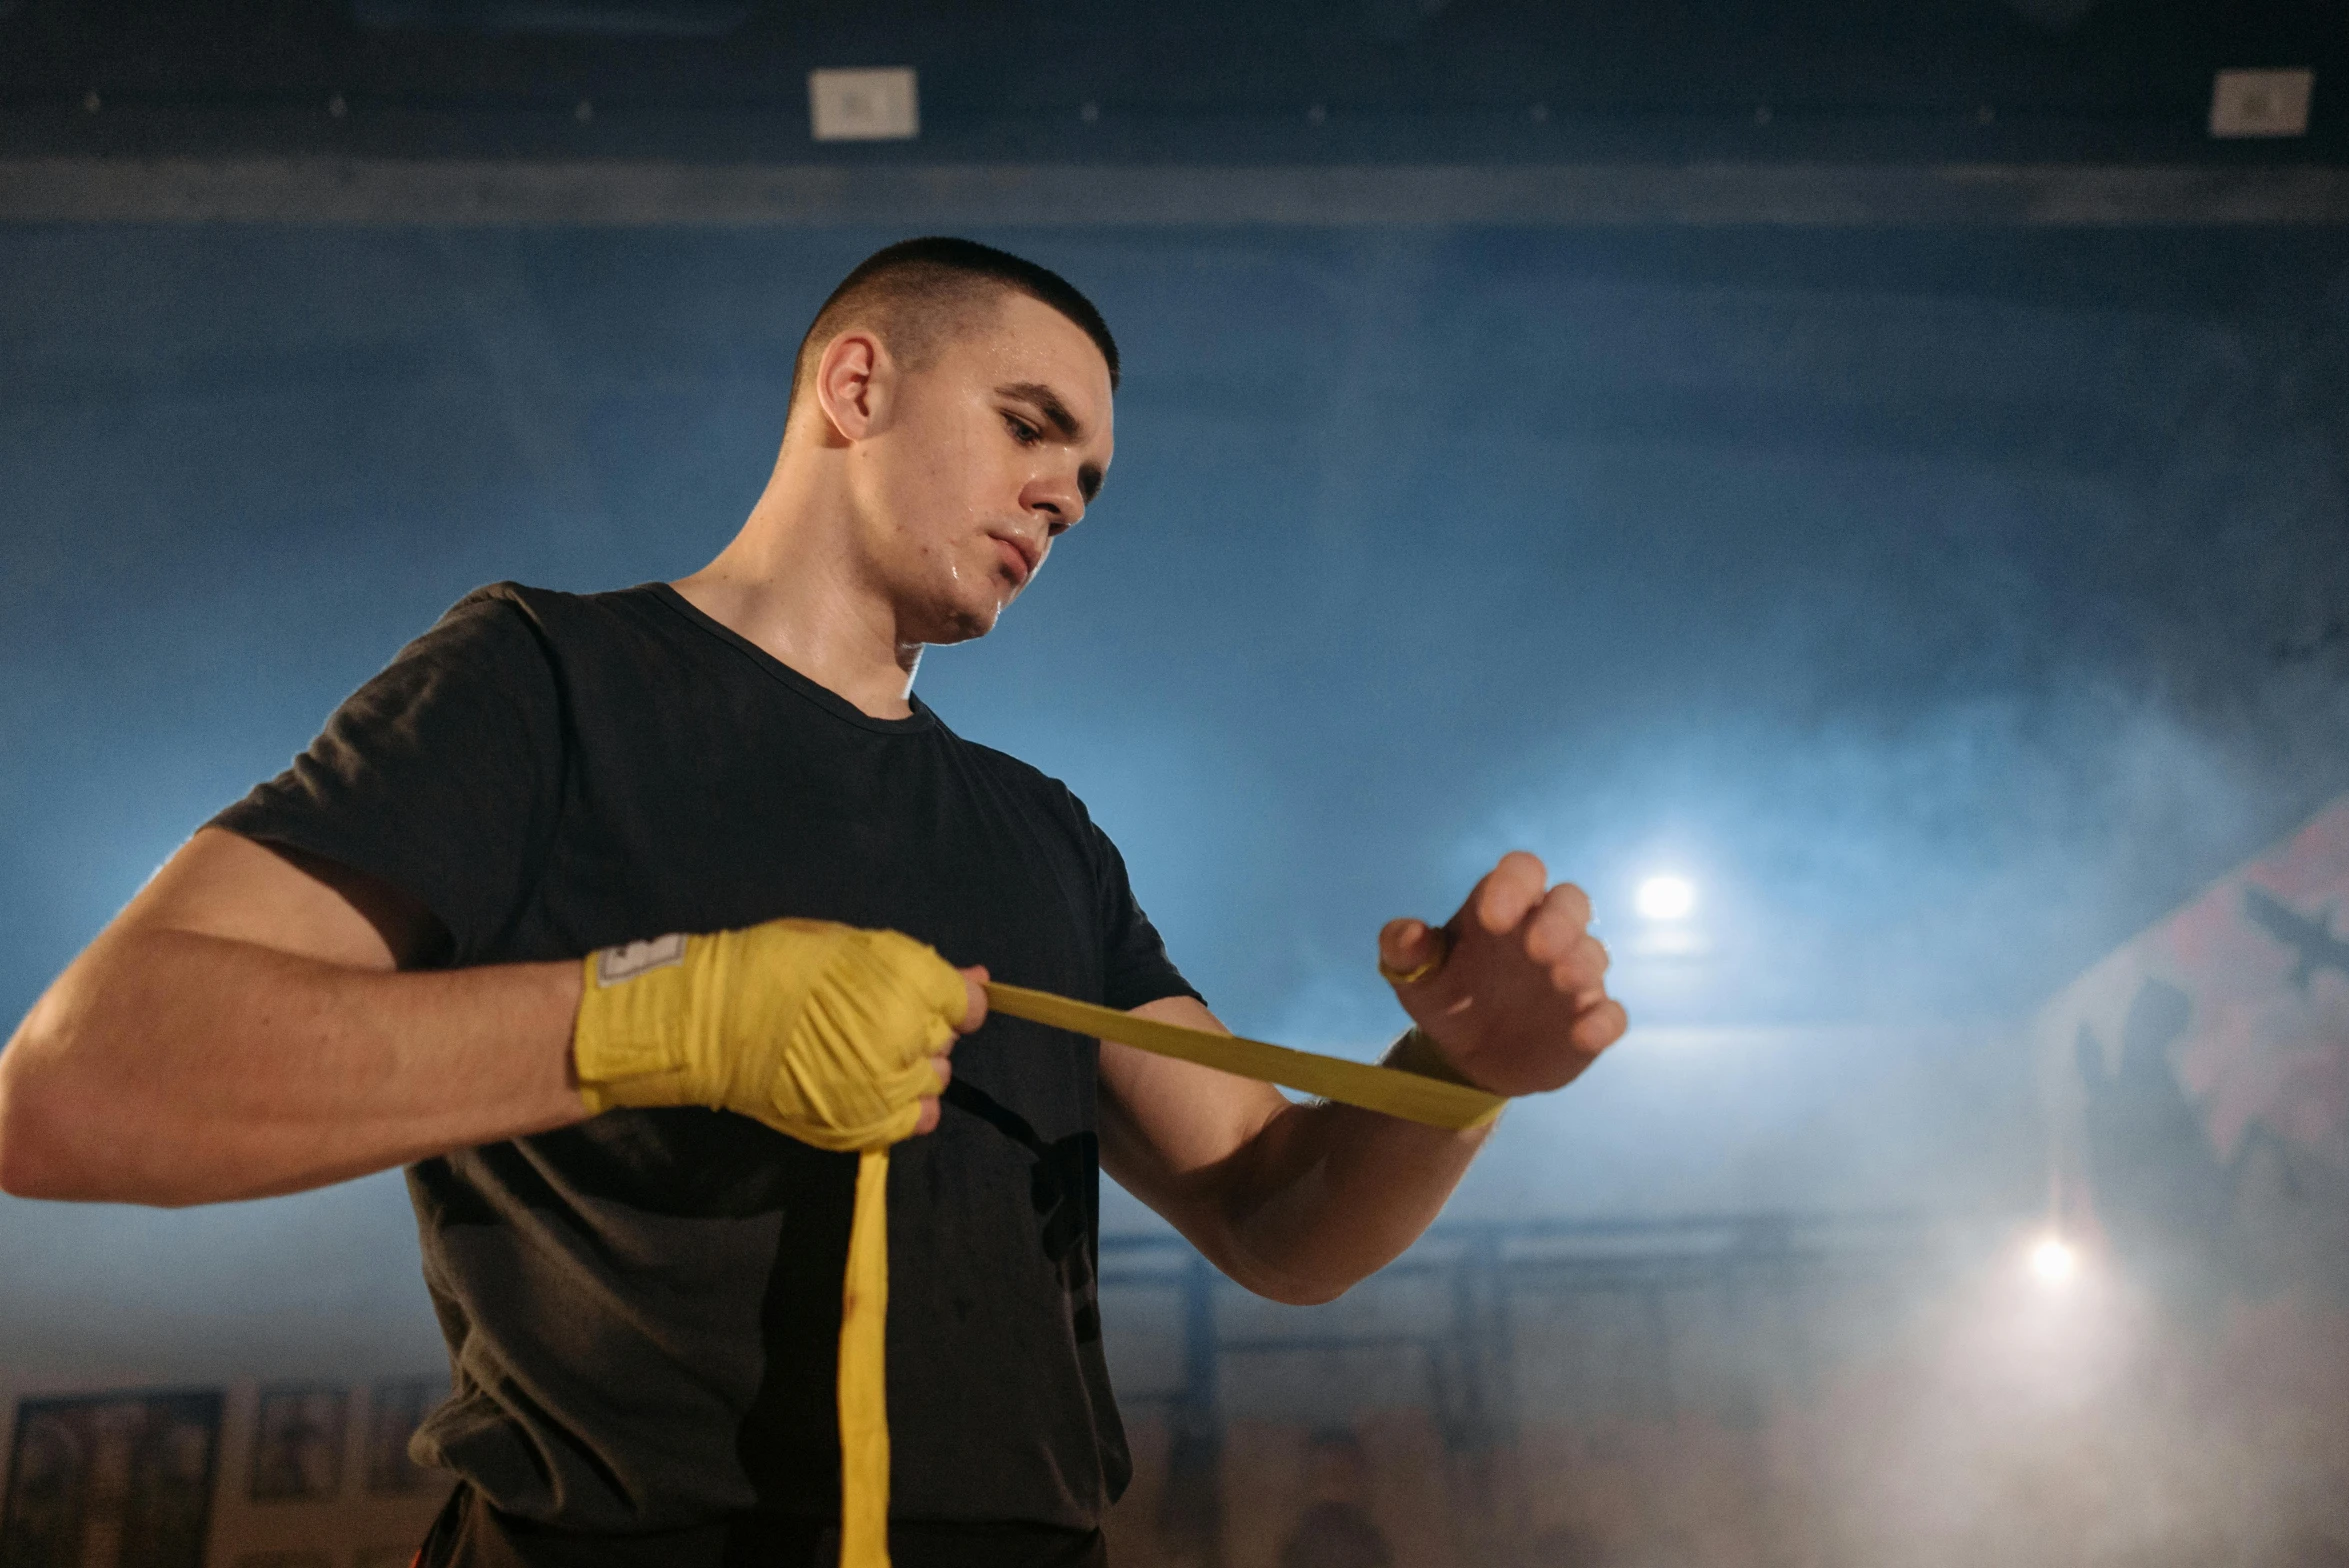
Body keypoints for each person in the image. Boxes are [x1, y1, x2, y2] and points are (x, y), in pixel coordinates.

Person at [0, 237, 1626, 1567]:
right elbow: (84, 1086)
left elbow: (1280, 1216)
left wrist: (1456, 1078)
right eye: (1030, 425)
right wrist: (673, 1011)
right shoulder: (546, 683)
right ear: (857, 382)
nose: (1064, 496)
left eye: (1092, 479)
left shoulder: (1040, 833)